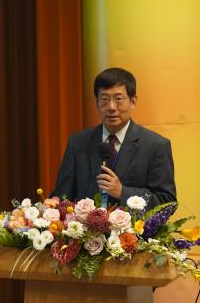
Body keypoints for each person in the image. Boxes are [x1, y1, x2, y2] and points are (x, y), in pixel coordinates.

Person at [51, 67, 176, 208]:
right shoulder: (78, 142)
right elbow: (63, 195)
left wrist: (123, 192)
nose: (111, 107)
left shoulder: (155, 146)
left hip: (134, 229)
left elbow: (167, 201)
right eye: (104, 99)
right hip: (87, 229)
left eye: (118, 99)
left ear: (133, 101)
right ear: (96, 102)